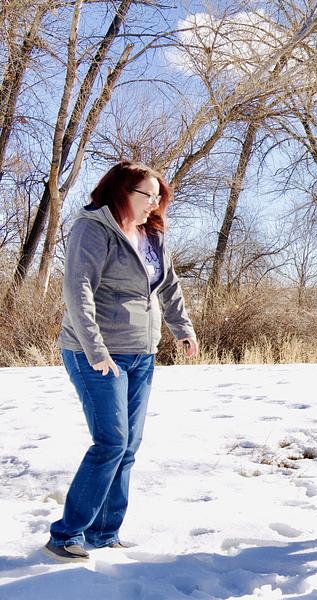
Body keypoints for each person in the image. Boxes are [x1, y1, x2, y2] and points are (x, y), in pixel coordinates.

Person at [44, 161, 198, 562]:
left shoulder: (152, 234)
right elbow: (77, 290)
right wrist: (96, 350)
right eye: (148, 195)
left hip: (141, 352)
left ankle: (103, 532)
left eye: (159, 197)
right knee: (111, 442)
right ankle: (65, 535)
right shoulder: (93, 228)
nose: (155, 204)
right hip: (95, 353)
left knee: (128, 446)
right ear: (122, 192)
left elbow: (169, 285)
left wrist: (182, 328)